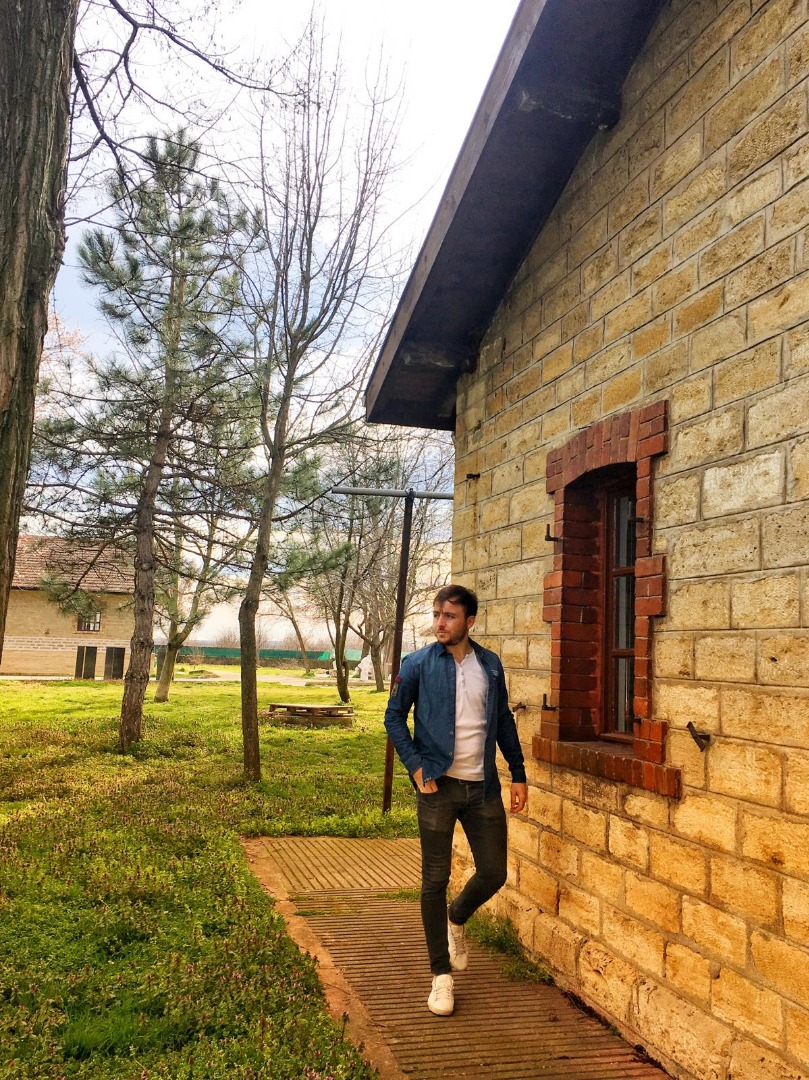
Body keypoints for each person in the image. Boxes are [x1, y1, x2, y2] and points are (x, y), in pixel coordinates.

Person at [384, 584, 528, 1016]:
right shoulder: (417, 664)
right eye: (436, 615)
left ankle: (457, 917)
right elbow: (393, 716)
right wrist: (415, 766)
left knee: (494, 872)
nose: (439, 623)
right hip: (438, 787)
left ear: (470, 621)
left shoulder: (490, 665)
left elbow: (502, 720)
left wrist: (518, 773)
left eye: (449, 616)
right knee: (434, 878)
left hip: (482, 788)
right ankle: (440, 976)